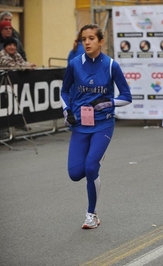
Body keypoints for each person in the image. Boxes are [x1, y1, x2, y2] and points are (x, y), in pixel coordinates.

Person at [60, 24, 132, 229]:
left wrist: (108, 102)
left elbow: (127, 97)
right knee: (75, 174)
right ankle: (95, 158)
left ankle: (91, 214)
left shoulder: (111, 66)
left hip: (103, 124)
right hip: (81, 125)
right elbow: (64, 92)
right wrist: (67, 110)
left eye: (92, 38)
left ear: (101, 41)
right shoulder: (74, 64)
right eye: (84, 39)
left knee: (91, 167)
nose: (87, 42)